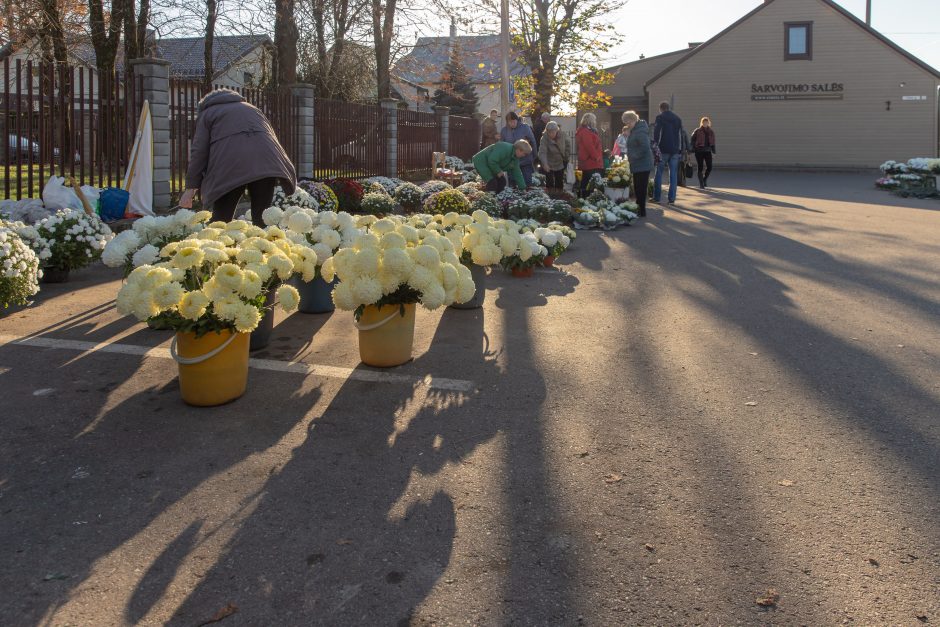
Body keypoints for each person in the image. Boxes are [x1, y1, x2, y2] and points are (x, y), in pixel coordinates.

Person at [179, 88, 296, 226]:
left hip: (230, 167)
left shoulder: (207, 113)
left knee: (221, 221)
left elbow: (199, 151)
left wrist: (190, 188)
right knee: (262, 220)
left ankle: (217, 245)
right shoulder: (252, 109)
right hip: (266, 164)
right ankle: (264, 246)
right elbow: (270, 138)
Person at [652, 101, 683, 205]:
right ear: (669, 108)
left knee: (658, 173)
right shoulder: (678, 119)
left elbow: (657, 133)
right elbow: (680, 134)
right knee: (673, 174)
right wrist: (680, 149)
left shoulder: (660, 118)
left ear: (660, 109)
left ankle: (657, 198)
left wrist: (655, 145)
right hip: (674, 150)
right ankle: (672, 199)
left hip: (663, 149)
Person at [622, 110, 653, 217]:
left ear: (633, 120)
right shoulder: (636, 130)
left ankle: (641, 210)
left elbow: (645, 147)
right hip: (638, 164)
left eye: (628, 122)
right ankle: (639, 208)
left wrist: (634, 157)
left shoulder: (640, 131)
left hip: (642, 164)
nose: (627, 125)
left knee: (640, 188)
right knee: (638, 187)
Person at [499, 112, 537, 187]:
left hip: (525, 160)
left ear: (517, 120)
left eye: (514, 121)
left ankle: (527, 196)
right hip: (511, 162)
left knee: (527, 182)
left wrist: (534, 156)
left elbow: (532, 141)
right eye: (510, 122)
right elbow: (502, 146)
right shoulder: (504, 131)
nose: (512, 124)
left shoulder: (525, 128)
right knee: (513, 184)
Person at [575, 112, 603, 198]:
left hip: (588, 161)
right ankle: (585, 202)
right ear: (590, 120)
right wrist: (596, 157)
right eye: (594, 119)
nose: (595, 121)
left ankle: (584, 201)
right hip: (590, 162)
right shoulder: (586, 131)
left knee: (585, 184)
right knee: (588, 185)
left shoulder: (587, 130)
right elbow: (589, 146)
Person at [538, 121, 570, 190]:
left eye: (553, 132)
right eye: (549, 132)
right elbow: (542, 152)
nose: (551, 134)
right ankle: (550, 197)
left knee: (559, 181)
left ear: (557, 130)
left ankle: (560, 197)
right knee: (549, 182)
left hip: (560, 161)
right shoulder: (544, 138)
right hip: (549, 162)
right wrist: (545, 163)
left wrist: (566, 156)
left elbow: (568, 145)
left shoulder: (563, 135)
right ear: (546, 131)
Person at [690, 116, 717, 188]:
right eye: (704, 122)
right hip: (699, 151)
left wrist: (714, 152)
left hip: (708, 151)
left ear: (708, 123)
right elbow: (692, 140)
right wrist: (692, 148)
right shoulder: (697, 130)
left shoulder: (711, 132)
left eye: (706, 122)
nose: (705, 123)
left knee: (710, 167)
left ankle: (704, 179)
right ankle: (701, 183)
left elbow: (713, 142)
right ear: (702, 123)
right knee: (700, 167)